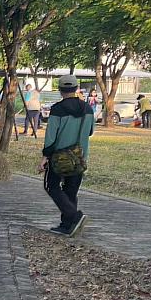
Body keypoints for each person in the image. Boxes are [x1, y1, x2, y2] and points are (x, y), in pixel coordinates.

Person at [39, 75, 94, 236]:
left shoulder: (57, 109)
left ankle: (74, 216)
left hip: (59, 157)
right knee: (71, 190)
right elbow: (90, 132)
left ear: (61, 90)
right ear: (76, 88)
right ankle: (68, 225)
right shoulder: (88, 109)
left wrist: (45, 157)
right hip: (80, 156)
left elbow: (51, 136)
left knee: (51, 186)